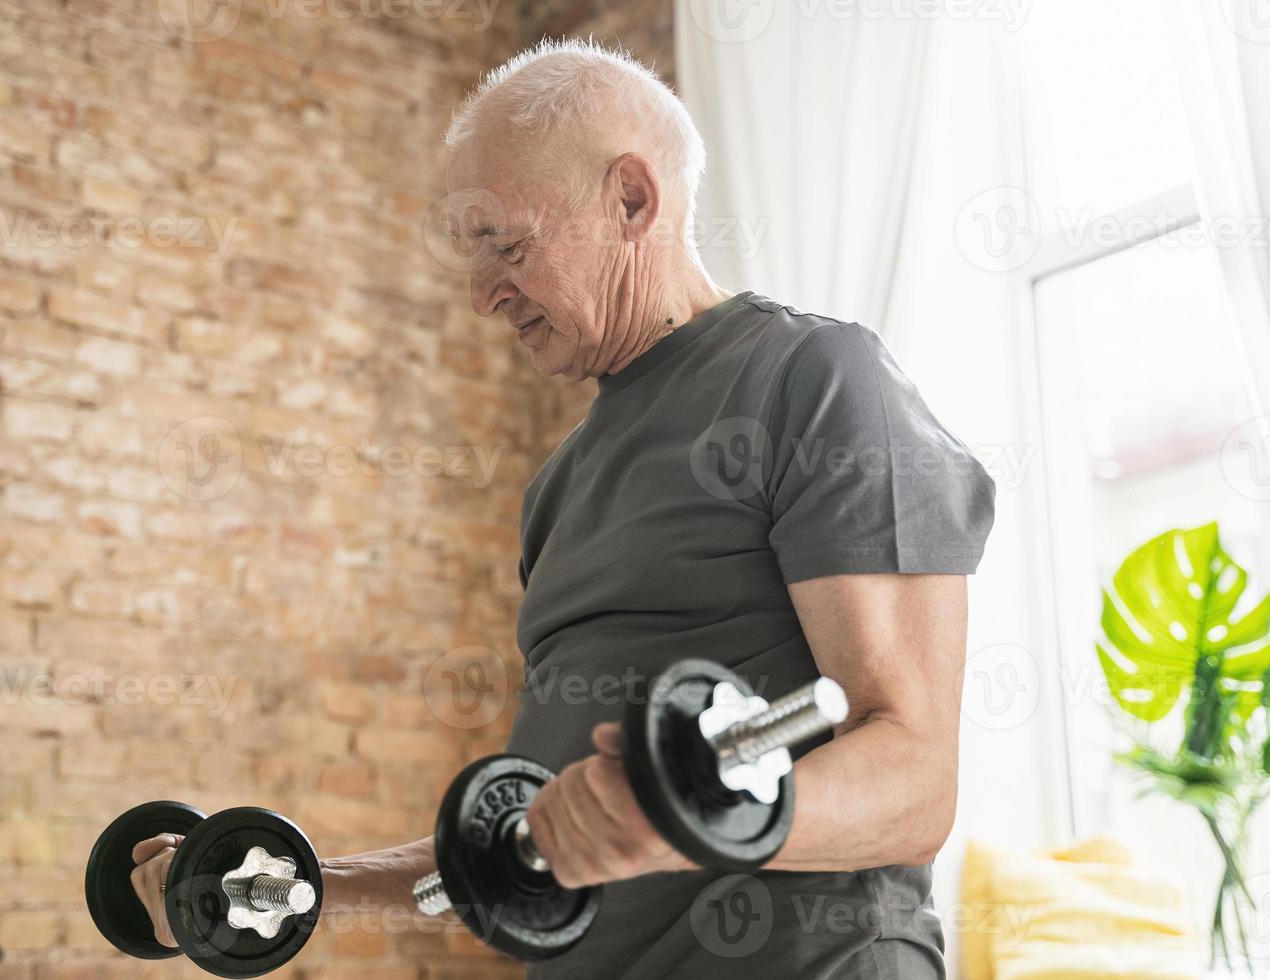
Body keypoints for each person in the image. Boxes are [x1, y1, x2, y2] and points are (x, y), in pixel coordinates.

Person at [131, 38, 995, 978]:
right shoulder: (560, 486)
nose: (482, 294)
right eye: (470, 258)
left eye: (506, 245)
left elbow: (914, 781)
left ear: (632, 198)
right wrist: (282, 883)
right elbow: (535, 834)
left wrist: (678, 822)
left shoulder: (818, 381)